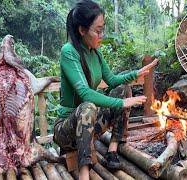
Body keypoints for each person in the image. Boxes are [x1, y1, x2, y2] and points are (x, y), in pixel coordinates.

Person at [53, 0, 158, 179]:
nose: (102, 35)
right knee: (88, 107)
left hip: (89, 126)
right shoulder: (69, 51)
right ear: (82, 30)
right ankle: (85, 173)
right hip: (66, 130)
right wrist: (122, 103)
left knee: (122, 89)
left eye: (103, 29)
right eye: (98, 30)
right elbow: (85, 93)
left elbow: (112, 80)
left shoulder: (95, 52)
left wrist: (135, 73)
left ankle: (112, 150)